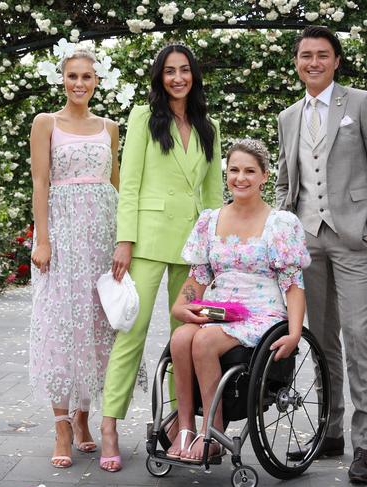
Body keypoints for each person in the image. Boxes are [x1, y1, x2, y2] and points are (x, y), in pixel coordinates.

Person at [275, 26, 367, 484]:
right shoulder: (289, 116)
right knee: (321, 339)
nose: (314, 62)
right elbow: (287, 182)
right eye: (306, 55)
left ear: (336, 60)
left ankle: (366, 445)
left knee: (358, 335)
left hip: (351, 240)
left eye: (322, 55)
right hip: (308, 242)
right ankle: (330, 432)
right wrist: (285, 232)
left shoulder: (361, 104)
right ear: (296, 61)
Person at [99, 43, 224, 472]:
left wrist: (211, 252)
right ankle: (110, 425)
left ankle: (177, 424)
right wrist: (124, 240)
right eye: (169, 71)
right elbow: (129, 183)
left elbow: (212, 197)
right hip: (147, 242)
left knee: (183, 340)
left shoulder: (209, 126)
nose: (177, 78)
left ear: (194, 76)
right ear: (160, 76)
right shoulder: (141, 117)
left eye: (184, 70)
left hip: (191, 249)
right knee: (130, 334)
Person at [167, 139, 311, 462]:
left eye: (249, 171)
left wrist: (295, 331)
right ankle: (186, 427)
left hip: (261, 311)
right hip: (220, 308)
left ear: (264, 176)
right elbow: (198, 277)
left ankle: (212, 433)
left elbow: (293, 284)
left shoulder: (280, 224)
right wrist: (182, 305)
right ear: (226, 173)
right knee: (180, 339)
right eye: (234, 170)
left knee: (202, 342)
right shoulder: (209, 220)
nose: (240, 178)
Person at [29, 48, 120, 468]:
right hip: (63, 236)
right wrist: (42, 240)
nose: (79, 83)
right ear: (62, 79)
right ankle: (62, 425)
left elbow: (117, 187)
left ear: (97, 82)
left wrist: (124, 242)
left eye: (87, 77)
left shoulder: (110, 128)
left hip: (102, 235)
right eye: (72, 76)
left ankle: (85, 418)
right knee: (61, 325)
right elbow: (40, 183)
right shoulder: (46, 123)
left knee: (97, 326)